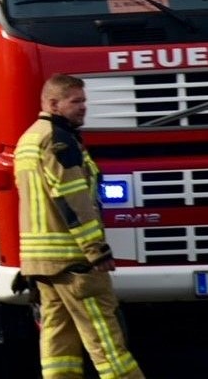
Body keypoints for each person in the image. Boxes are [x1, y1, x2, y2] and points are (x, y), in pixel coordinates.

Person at [15, 74, 143, 379]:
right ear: (53, 104)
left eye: (84, 101)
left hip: (42, 263)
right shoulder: (60, 140)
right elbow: (73, 200)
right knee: (106, 342)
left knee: (59, 345)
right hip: (76, 263)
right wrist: (96, 250)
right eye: (76, 101)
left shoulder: (28, 139)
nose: (83, 107)